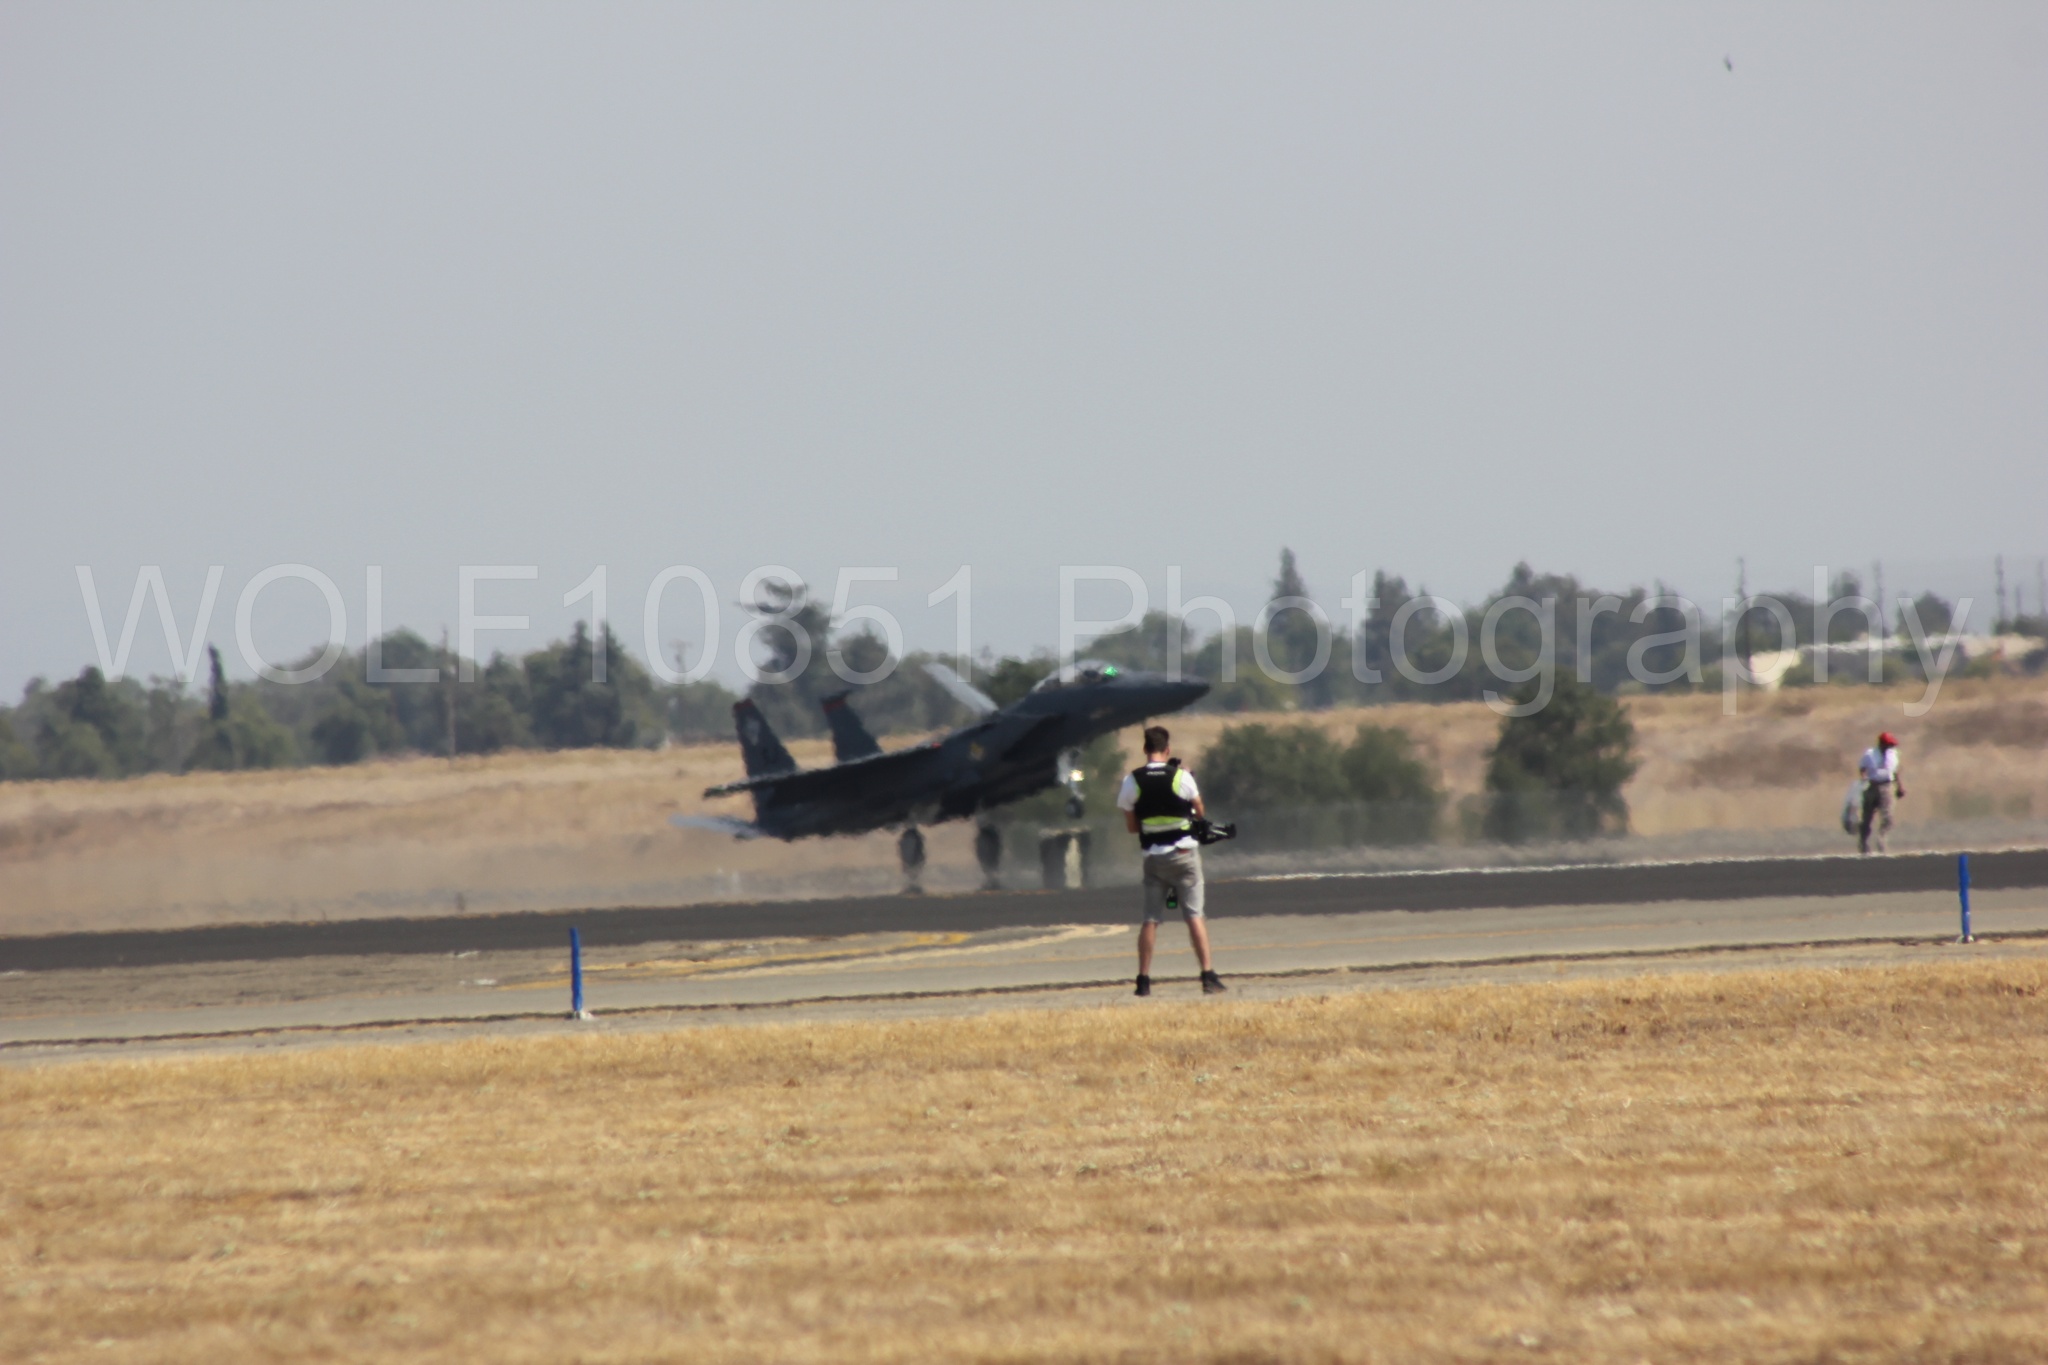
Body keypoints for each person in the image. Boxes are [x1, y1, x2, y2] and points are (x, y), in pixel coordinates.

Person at [1117, 725, 1225, 997]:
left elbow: (1132, 827)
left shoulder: (1132, 781)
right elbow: (1200, 812)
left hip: (1153, 857)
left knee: (1150, 919)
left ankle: (1143, 980)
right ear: (1167, 750)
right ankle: (1208, 976)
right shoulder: (1181, 777)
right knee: (1194, 915)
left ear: (1145, 749)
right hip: (1184, 855)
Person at [1856, 731, 1906, 854]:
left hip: (1887, 786)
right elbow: (1862, 768)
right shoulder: (1870, 754)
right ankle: (1863, 844)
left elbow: (1895, 772)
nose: (1889, 747)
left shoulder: (1893, 755)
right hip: (1872, 786)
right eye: (1887, 745)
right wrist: (1864, 779)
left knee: (1888, 818)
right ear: (1881, 744)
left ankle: (1881, 839)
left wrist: (1899, 787)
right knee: (1867, 817)